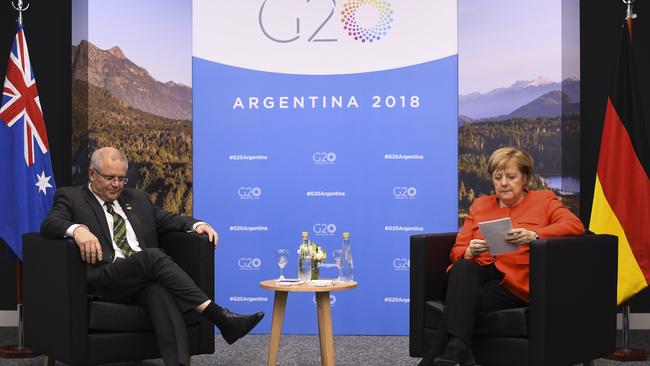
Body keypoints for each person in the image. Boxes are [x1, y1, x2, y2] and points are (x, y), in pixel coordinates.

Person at [40, 147, 264, 366]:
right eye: (109, 178)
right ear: (91, 173)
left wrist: (198, 224)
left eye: (121, 179)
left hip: (141, 278)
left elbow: (167, 219)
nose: (116, 185)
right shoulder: (71, 197)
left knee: (158, 292)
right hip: (104, 277)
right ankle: (220, 317)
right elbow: (50, 224)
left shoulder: (136, 198)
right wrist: (77, 229)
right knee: (152, 257)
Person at [420, 147, 584, 366]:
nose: (504, 183)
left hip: (514, 283)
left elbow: (575, 226)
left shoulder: (544, 200)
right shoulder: (480, 205)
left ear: (525, 179)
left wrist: (534, 234)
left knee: (462, 302)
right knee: (462, 267)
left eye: (511, 177)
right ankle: (457, 350)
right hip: (477, 272)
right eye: (498, 178)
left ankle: (447, 354)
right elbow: (457, 250)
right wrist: (469, 250)